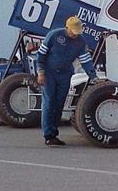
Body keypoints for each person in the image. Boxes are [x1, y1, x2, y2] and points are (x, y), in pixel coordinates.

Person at [36, 16, 98, 146]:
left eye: (77, 32)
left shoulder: (81, 41)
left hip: (65, 74)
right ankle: (48, 135)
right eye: (73, 32)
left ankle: (54, 133)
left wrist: (94, 77)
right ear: (66, 28)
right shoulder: (53, 35)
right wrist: (40, 72)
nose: (74, 35)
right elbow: (41, 55)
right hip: (49, 73)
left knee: (59, 104)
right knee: (49, 102)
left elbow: (86, 60)